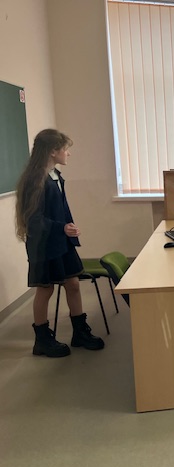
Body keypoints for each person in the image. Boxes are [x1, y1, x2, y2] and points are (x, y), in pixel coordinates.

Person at [15, 129, 105, 357]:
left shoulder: (55, 175)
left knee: (73, 284)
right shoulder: (35, 180)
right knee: (45, 289)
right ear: (53, 151)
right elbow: (33, 219)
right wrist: (61, 228)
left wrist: (69, 228)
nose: (68, 154)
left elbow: (60, 210)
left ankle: (80, 332)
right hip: (44, 244)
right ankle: (42, 340)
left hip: (61, 241)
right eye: (65, 149)